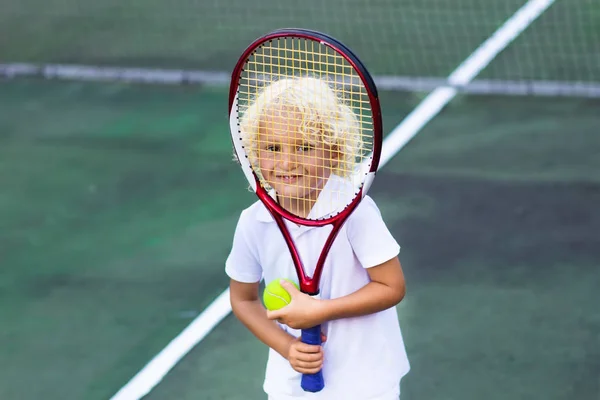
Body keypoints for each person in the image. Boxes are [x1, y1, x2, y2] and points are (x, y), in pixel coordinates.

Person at [226, 76, 409, 400]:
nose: (287, 162)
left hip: (365, 383)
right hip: (290, 386)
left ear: (334, 150)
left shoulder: (356, 211)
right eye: (272, 148)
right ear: (253, 151)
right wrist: (288, 346)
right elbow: (243, 299)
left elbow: (391, 287)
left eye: (305, 147)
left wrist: (319, 311)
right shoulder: (252, 222)